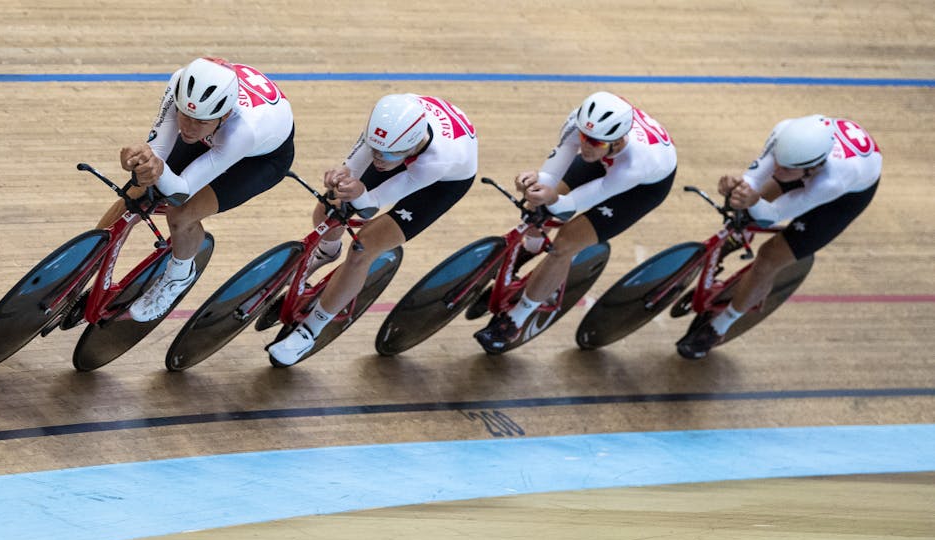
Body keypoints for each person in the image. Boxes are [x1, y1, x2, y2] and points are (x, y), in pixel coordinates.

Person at [268, 93, 478, 366]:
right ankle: (328, 251)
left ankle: (311, 330)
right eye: (374, 148)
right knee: (330, 203)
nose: (378, 159)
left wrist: (361, 192)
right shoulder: (387, 128)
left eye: (386, 154)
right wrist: (342, 175)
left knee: (363, 247)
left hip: (442, 182)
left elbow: (372, 204)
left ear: (413, 145)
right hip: (400, 145)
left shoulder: (435, 161)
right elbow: (359, 165)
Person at [473, 91, 677, 353]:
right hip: (610, 162)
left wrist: (552, 198)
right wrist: (535, 184)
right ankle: (531, 249)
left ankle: (518, 319)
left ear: (617, 140)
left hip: (641, 188)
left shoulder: (635, 164)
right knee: (539, 206)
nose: (586, 147)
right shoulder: (581, 125)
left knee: (565, 243)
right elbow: (551, 173)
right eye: (584, 138)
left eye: (596, 143)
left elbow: (574, 204)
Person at [97, 57, 295, 322]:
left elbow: (180, 191)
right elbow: (158, 152)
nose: (188, 128)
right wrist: (142, 162)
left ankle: (179, 275)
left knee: (182, 214)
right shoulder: (180, 85)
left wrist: (156, 168)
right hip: (215, 132)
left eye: (198, 122)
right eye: (184, 115)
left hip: (260, 159)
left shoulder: (243, 130)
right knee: (136, 191)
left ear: (224, 114)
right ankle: (83, 266)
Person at [676, 114, 881, 358]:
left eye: (786, 167)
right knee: (748, 204)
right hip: (809, 166)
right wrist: (737, 188)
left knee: (769, 258)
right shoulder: (784, 132)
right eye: (778, 161)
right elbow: (755, 178)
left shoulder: (831, 181)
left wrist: (754, 201)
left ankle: (719, 327)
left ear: (812, 168)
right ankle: (738, 236)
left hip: (844, 198)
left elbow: (772, 215)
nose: (777, 169)